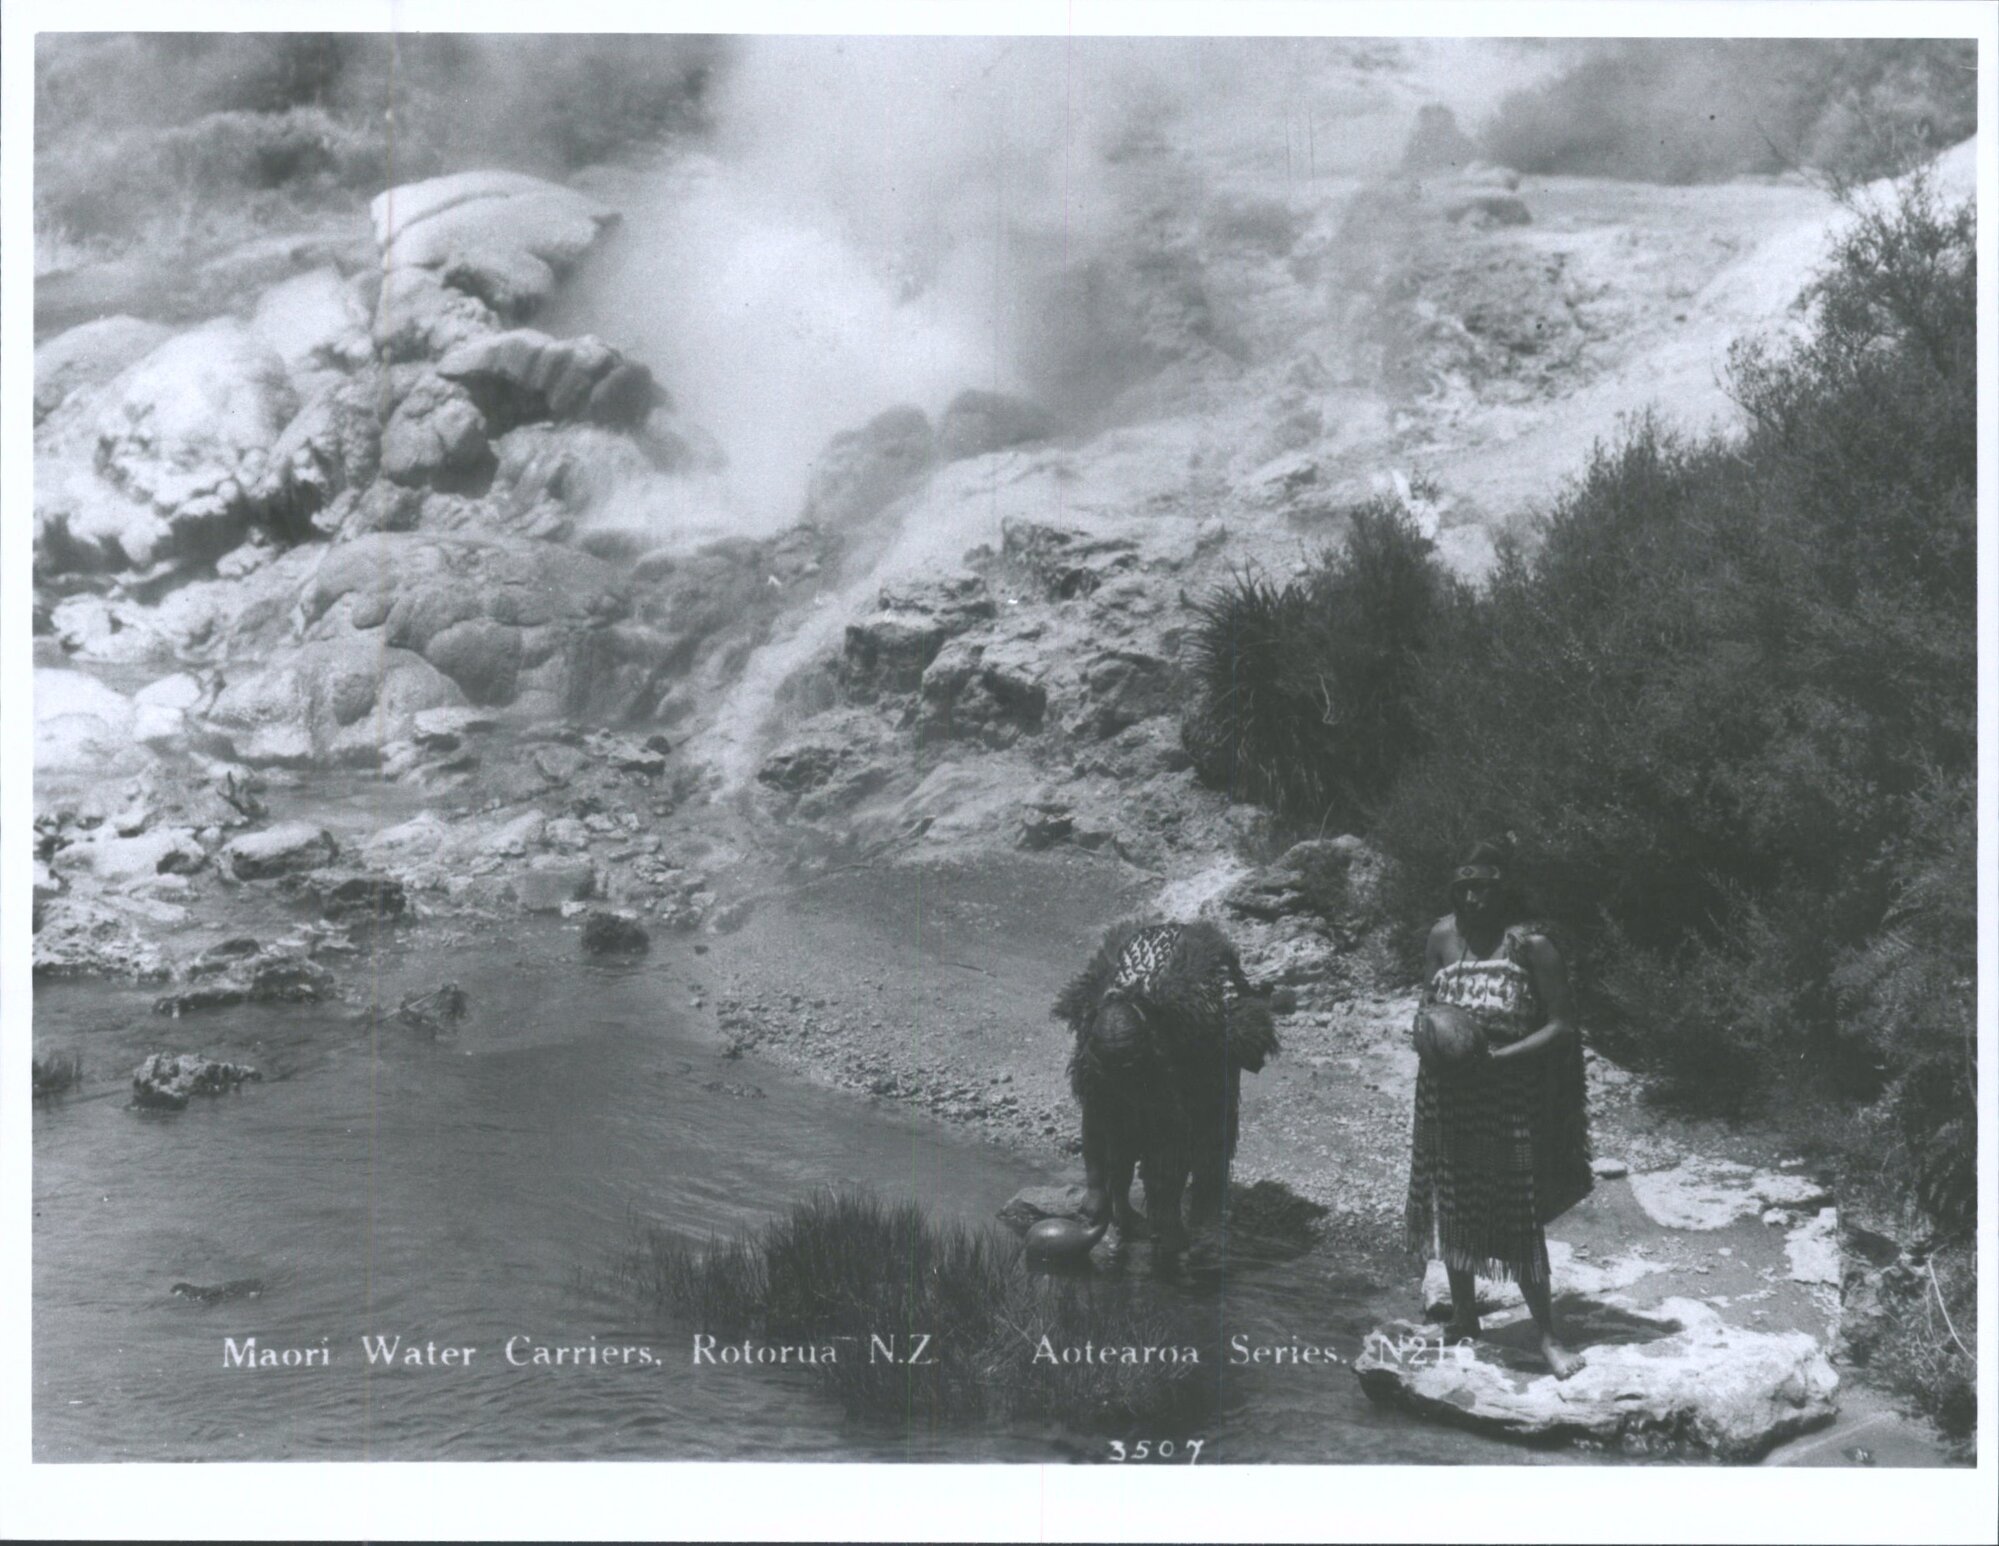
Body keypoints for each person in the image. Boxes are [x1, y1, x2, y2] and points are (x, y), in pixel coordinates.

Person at [1404, 837, 1593, 1377]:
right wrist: (1430, 1036)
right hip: (1445, 1096)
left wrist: (1501, 1058)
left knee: (1517, 1212)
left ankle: (1548, 1337)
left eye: (1484, 888)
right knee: (1454, 1204)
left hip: (1507, 1096)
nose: (1474, 899)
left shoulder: (1531, 945)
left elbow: (1563, 1025)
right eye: (1464, 888)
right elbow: (1427, 1007)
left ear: (1503, 888)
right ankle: (1465, 1318)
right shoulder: (1442, 935)